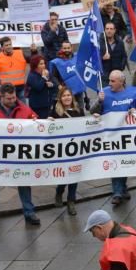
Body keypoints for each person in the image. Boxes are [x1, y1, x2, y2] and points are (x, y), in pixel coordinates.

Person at [0, 84, 40, 225]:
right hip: (0, 153)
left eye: (14, 97)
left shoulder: (22, 107)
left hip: (19, 152)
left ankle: (29, 212)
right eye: (9, 98)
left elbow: (33, 117)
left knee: (23, 181)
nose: (13, 100)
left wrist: (36, 120)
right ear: (1, 96)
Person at [94, 70, 136, 205]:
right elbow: (93, 111)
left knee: (125, 162)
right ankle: (117, 192)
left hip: (127, 135)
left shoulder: (133, 93)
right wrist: (99, 101)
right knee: (115, 163)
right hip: (111, 135)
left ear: (122, 82)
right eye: (109, 80)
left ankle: (123, 188)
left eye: (113, 81)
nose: (110, 83)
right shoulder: (104, 93)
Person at [50, 87, 83, 216]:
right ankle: (59, 192)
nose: (67, 98)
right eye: (64, 96)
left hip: (76, 149)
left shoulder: (78, 111)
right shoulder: (56, 112)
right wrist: (49, 121)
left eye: (69, 95)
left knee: (74, 176)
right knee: (64, 176)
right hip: (62, 150)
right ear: (60, 98)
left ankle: (71, 201)